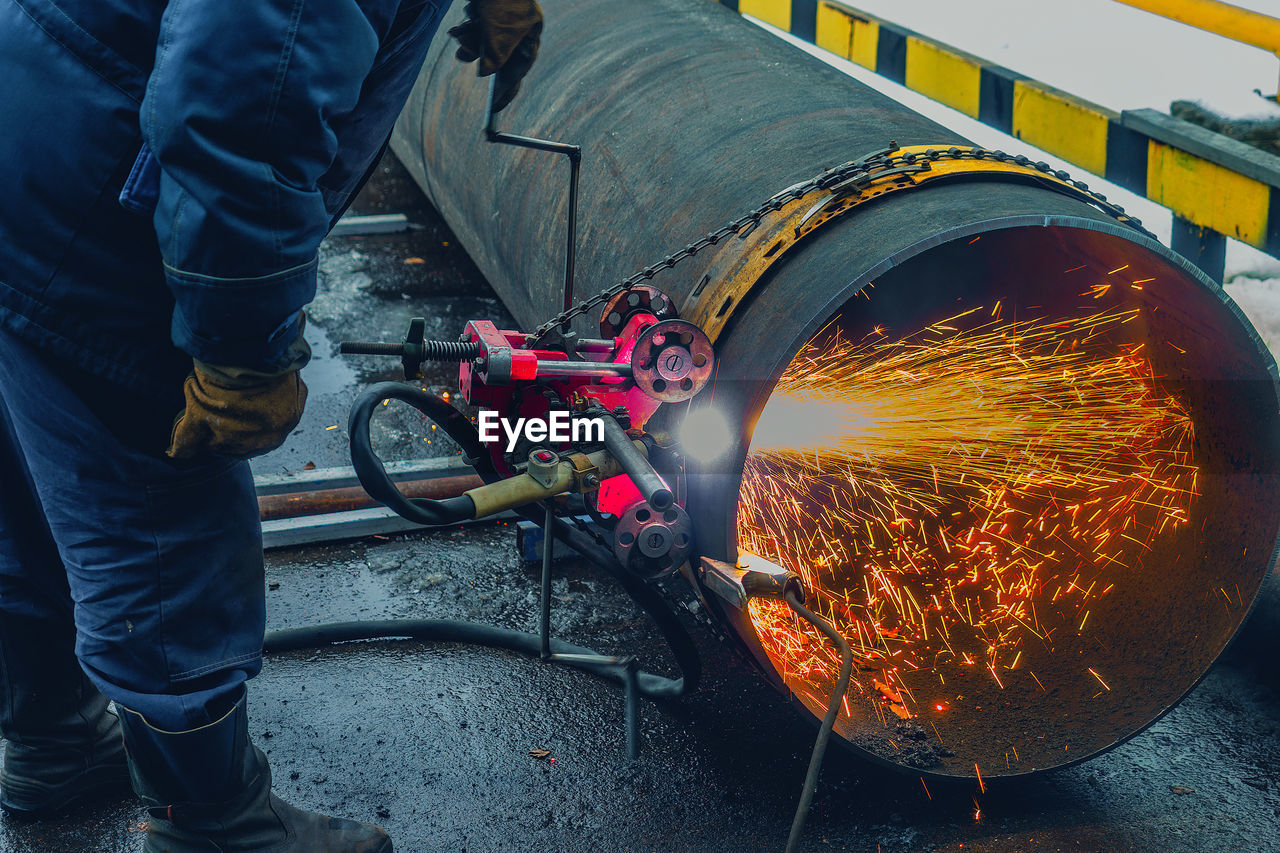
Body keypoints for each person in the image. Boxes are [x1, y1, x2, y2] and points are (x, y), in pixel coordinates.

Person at [0, 0, 541, 849]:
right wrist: (242, 349)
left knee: (32, 485)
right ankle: (212, 821)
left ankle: (54, 741)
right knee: (158, 526)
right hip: (92, 196)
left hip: (32, 132)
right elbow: (245, 105)